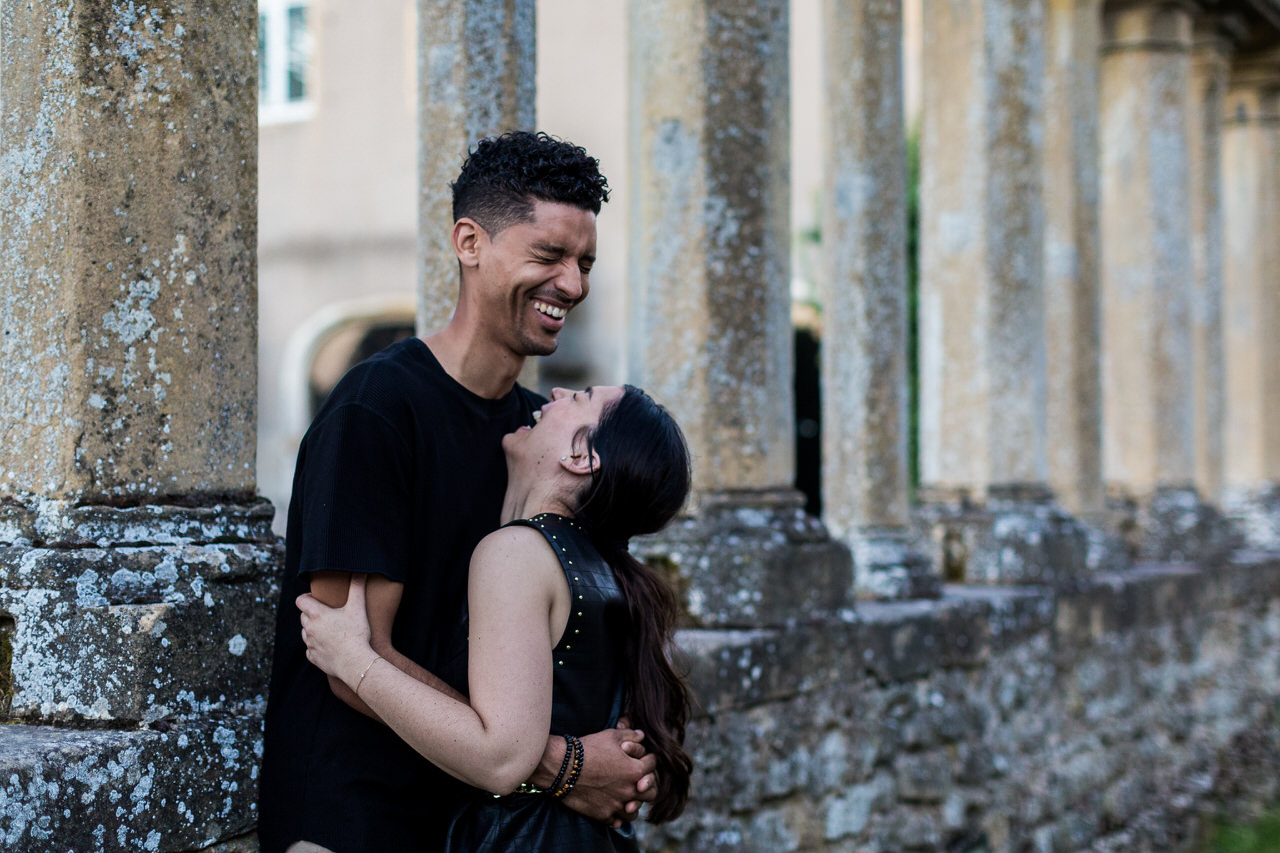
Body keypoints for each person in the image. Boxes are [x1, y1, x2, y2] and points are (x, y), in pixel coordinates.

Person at [258, 132, 656, 852]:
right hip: (358, 817)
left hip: (475, 823)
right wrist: (565, 764)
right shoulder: (375, 410)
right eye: (547, 256)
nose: (572, 283)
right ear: (469, 243)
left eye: (584, 262)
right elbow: (352, 660)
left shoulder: (534, 437)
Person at [298, 384, 694, 851]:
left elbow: (500, 758)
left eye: (580, 397)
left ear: (581, 455)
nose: (556, 390)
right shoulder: (603, 568)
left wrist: (351, 659)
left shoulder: (517, 551)